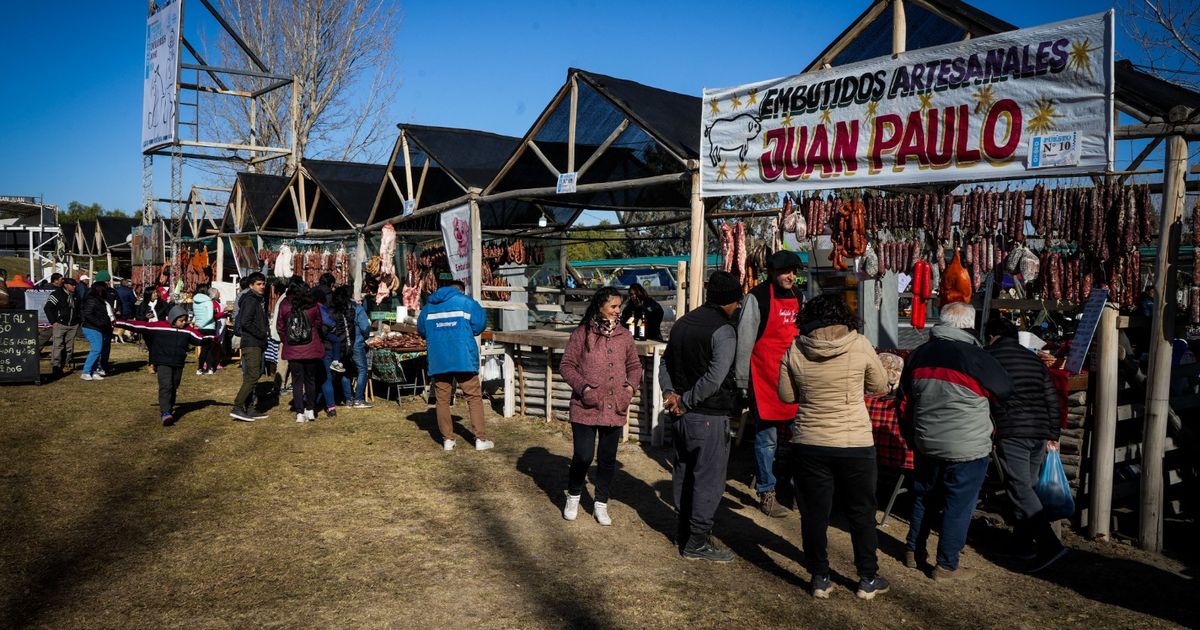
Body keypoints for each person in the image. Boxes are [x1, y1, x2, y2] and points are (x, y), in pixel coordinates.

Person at [778, 294, 890, 599]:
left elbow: (786, 396)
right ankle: (868, 577)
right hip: (855, 441)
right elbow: (880, 387)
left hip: (809, 441)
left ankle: (820, 577)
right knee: (861, 513)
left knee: (814, 514)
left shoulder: (796, 348)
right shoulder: (860, 344)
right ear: (845, 315)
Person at [897, 302, 1013, 581]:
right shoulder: (977, 357)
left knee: (924, 495)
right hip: (967, 446)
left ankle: (913, 551)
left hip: (926, 442)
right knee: (958, 504)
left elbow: (902, 403)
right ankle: (947, 565)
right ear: (969, 326)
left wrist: (914, 437)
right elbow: (1005, 393)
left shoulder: (918, 355)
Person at [659, 270, 742, 562]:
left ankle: (684, 532)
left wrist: (670, 395)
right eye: (737, 302)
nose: (739, 307)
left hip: (681, 416)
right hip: (706, 415)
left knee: (684, 473)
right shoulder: (724, 330)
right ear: (729, 301)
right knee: (708, 479)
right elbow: (714, 378)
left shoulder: (682, 323)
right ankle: (696, 542)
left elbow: (664, 363)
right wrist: (686, 401)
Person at [985, 318, 1068, 573]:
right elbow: (1050, 397)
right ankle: (1021, 544)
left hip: (1013, 431)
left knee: (1020, 488)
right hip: (1039, 431)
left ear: (992, 336)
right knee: (1027, 486)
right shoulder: (1033, 359)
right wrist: (1052, 431)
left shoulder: (989, 357)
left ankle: (1049, 545)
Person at [559, 287, 643, 526]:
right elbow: (566, 365)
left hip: (614, 406)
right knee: (583, 456)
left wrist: (629, 389)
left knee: (607, 458)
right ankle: (573, 496)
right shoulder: (581, 334)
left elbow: (635, 367)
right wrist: (583, 388)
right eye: (613, 307)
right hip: (585, 406)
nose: (618, 311)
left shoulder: (625, 336)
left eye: (619, 307)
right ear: (600, 307)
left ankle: (601, 504)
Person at [735, 249, 804, 518]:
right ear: (772, 273)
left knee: (802, 438)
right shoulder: (758, 297)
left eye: (794, 272)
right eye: (786, 272)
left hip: (794, 377)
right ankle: (767, 492)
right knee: (767, 440)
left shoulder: (799, 296)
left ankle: (800, 492)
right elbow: (745, 341)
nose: (791, 277)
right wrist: (742, 380)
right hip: (764, 378)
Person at [417, 279, 491, 451]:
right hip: (463, 357)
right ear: (461, 291)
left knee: (442, 400)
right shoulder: (468, 303)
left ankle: (448, 441)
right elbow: (479, 326)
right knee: (473, 397)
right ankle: (480, 439)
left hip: (439, 358)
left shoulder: (428, 307)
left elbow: (421, 330)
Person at [118, 305, 213, 426]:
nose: (183, 323)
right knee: (165, 385)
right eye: (181, 320)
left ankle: (170, 405)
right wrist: (118, 322)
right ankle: (166, 412)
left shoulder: (187, 329)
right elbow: (139, 325)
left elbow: (199, 339)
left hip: (178, 363)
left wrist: (212, 339)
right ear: (173, 319)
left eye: (185, 320)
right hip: (163, 362)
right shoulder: (159, 326)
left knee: (174, 385)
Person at [277, 283, 328, 423]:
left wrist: (287, 340)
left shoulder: (285, 305)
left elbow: (280, 327)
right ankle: (310, 410)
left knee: (297, 381)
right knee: (311, 380)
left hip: (293, 348)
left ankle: (299, 412)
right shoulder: (313, 305)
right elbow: (319, 323)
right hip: (311, 347)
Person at [231, 272, 270, 422]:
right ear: (251, 285)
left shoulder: (257, 300)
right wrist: (261, 333)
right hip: (251, 342)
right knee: (252, 375)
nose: (262, 286)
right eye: (259, 284)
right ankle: (238, 406)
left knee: (255, 374)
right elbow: (245, 322)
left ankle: (250, 408)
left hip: (257, 342)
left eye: (263, 283)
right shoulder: (250, 300)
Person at [45, 276, 81, 376]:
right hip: (60, 324)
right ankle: (56, 366)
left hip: (73, 324)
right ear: (65, 285)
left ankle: (66, 364)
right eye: (72, 285)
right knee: (58, 345)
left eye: (75, 285)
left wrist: (78, 320)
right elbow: (48, 308)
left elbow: (79, 309)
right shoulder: (57, 294)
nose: (74, 287)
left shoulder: (76, 295)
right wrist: (53, 321)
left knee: (69, 347)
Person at [79, 280, 113, 381]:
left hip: (99, 327)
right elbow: (88, 314)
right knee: (96, 349)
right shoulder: (92, 299)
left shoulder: (101, 300)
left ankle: (93, 371)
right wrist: (100, 323)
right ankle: (85, 372)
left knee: (99, 349)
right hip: (91, 327)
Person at [348, 292, 373, 408]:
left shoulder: (340, 306)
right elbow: (365, 327)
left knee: (346, 371)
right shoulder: (358, 309)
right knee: (362, 370)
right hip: (357, 343)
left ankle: (348, 399)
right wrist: (366, 336)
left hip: (344, 343)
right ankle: (358, 399)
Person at [192, 284, 217, 375]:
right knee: (206, 349)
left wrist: (197, 324)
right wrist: (202, 325)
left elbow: (195, 314)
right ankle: (200, 368)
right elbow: (210, 316)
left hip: (199, 327)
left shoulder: (195, 301)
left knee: (207, 348)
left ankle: (210, 368)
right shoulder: (208, 301)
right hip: (208, 327)